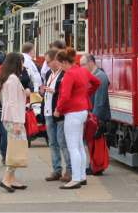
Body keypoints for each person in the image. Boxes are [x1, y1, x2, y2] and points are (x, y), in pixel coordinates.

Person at [54, 48, 101, 189]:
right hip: (83, 110)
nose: (60, 67)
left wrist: (58, 110)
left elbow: (65, 96)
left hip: (72, 112)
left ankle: (75, 179)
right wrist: (86, 94)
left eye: (60, 64)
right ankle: (81, 176)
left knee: (73, 146)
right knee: (80, 145)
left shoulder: (69, 75)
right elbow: (97, 82)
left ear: (63, 62)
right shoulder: (82, 70)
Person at [0, 52, 29, 191]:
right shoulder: (12, 79)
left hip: (11, 118)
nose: (23, 65)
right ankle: (6, 179)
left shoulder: (9, 78)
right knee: (16, 149)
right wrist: (17, 123)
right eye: (21, 62)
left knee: (16, 147)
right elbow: (12, 102)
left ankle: (12, 179)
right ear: (16, 63)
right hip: (13, 119)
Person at [40, 49, 71, 182]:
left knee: (62, 142)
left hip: (59, 113)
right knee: (52, 142)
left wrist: (54, 90)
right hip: (48, 111)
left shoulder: (64, 74)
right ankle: (56, 169)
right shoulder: (48, 74)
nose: (46, 65)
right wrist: (43, 91)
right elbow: (46, 91)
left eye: (48, 62)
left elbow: (65, 93)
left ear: (55, 61)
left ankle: (69, 170)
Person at [80, 53, 110, 176]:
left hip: (97, 116)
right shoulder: (95, 76)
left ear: (91, 63)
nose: (81, 67)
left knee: (95, 143)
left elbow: (100, 101)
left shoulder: (100, 77)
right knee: (92, 143)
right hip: (93, 115)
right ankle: (94, 165)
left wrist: (95, 119)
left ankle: (97, 166)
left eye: (83, 64)